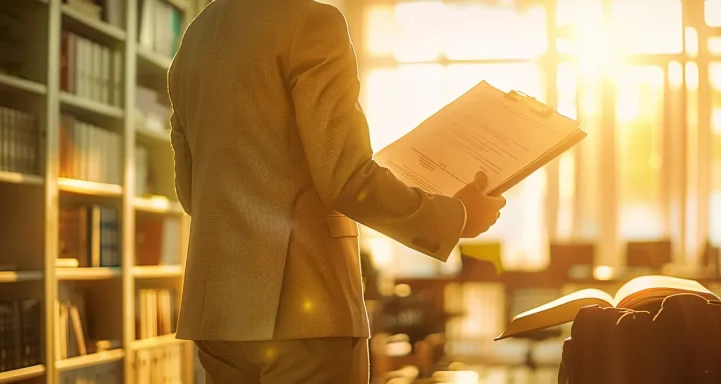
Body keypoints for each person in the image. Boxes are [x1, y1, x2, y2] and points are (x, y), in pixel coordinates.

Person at [166, 0, 506, 382]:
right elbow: (346, 178)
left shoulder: (195, 36)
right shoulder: (312, 22)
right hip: (305, 310)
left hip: (218, 311)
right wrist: (454, 217)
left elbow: (191, 192)